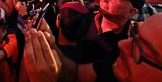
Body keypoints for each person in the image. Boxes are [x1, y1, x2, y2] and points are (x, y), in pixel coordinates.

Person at [22, 13, 162, 82]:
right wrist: (51, 44)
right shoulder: (117, 65)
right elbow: (77, 73)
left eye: (141, 47)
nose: (122, 44)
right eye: (134, 34)